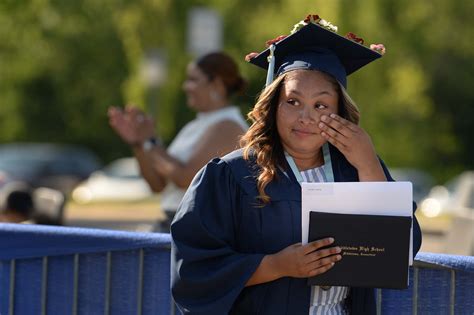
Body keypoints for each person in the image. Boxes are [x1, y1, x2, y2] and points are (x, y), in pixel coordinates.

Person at [170, 14, 422, 315]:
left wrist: (368, 165)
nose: (305, 117)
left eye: (321, 105)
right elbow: (193, 270)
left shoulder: (354, 168)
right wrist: (275, 266)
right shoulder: (232, 175)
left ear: (340, 111)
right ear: (273, 105)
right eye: (292, 101)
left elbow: (401, 250)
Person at [108, 52, 249, 232]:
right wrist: (139, 144)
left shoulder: (228, 126)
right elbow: (157, 185)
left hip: (198, 230)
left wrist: (150, 141)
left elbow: (185, 178)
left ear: (217, 85)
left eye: (193, 80)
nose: (185, 86)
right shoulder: (195, 125)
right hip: (175, 223)